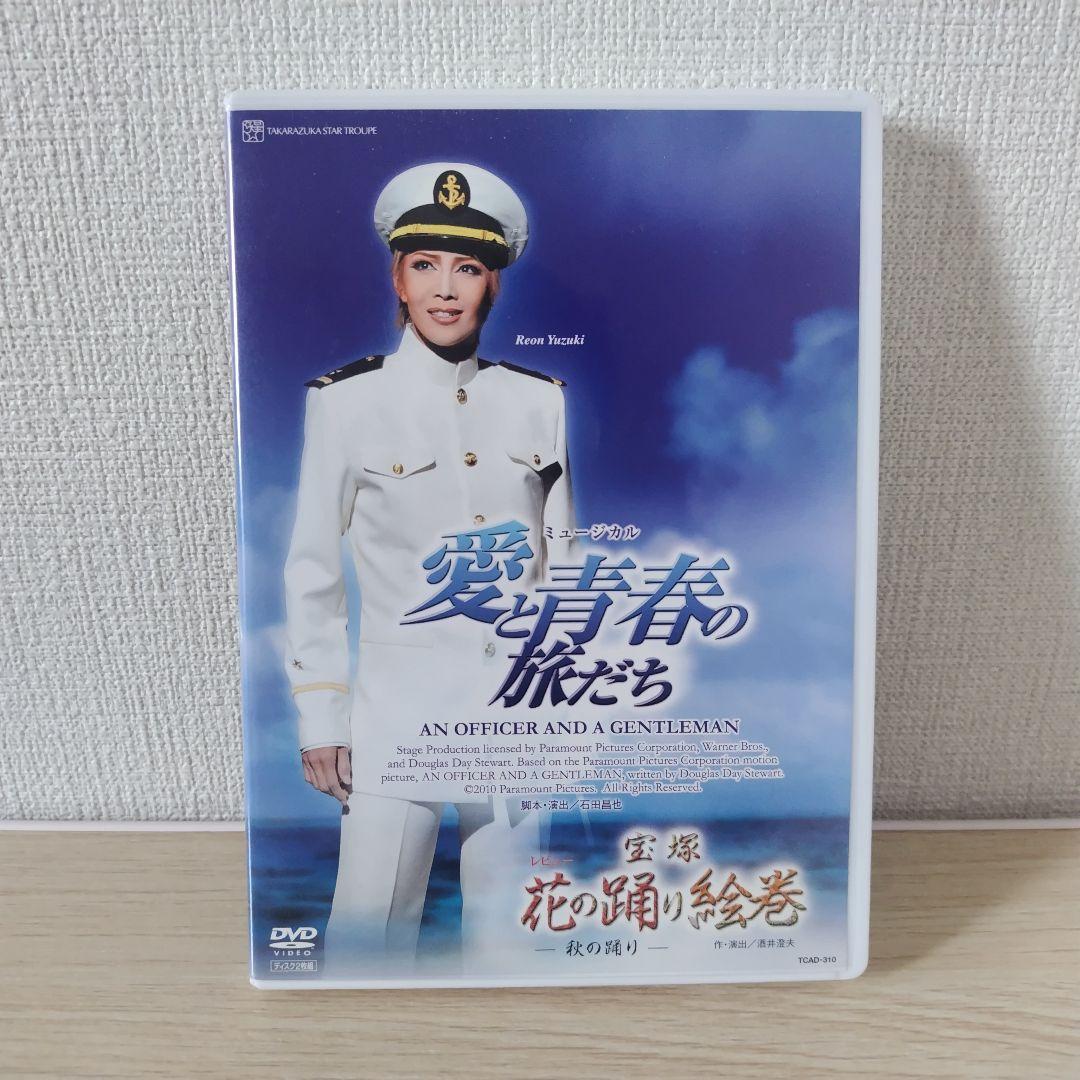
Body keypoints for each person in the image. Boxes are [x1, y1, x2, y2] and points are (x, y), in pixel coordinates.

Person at [283, 162, 575, 976]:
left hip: (518, 719)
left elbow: (564, 567)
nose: (446, 288)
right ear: (398, 279)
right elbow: (313, 570)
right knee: (365, 943)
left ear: (493, 285)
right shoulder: (344, 402)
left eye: (468, 268)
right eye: (425, 265)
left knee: (516, 950)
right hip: (394, 719)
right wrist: (322, 719)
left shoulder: (540, 400)